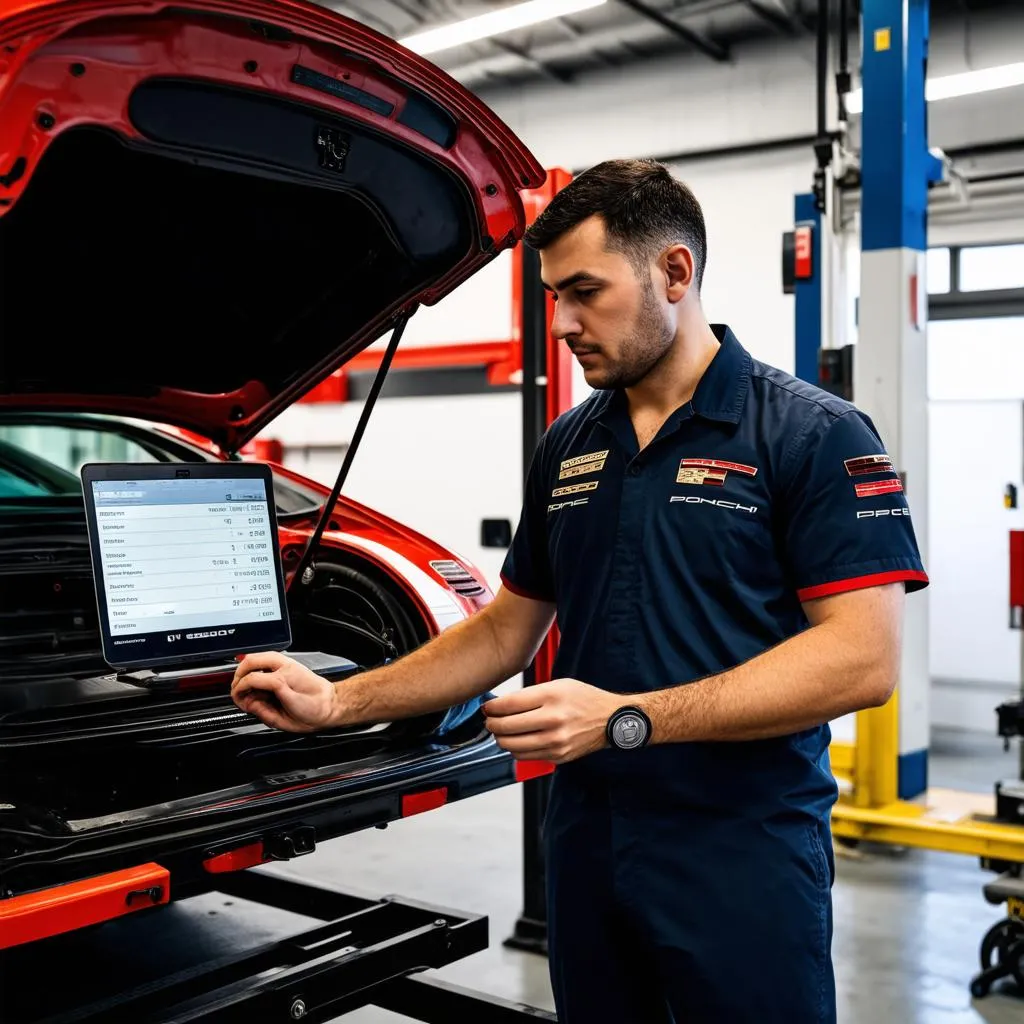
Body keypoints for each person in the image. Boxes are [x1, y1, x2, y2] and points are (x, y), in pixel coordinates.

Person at [231, 159, 928, 1023]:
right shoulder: (571, 445)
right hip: (591, 846)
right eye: (554, 295)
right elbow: (502, 636)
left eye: (586, 292)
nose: (562, 323)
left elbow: (862, 661)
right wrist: (339, 701)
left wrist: (623, 720)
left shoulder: (813, 435)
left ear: (675, 273)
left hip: (740, 851)